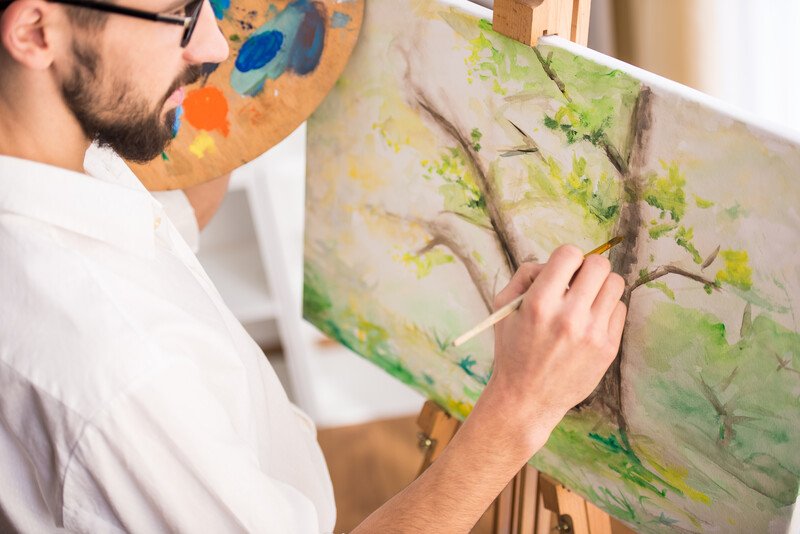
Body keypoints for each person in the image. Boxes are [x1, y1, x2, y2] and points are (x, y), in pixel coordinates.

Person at [0, 0, 627, 531]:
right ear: (34, 32)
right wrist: (522, 405)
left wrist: (262, 92)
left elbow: (163, 231)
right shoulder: (121, 373)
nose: (213, 44)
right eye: (181, 14)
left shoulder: (60, 159)